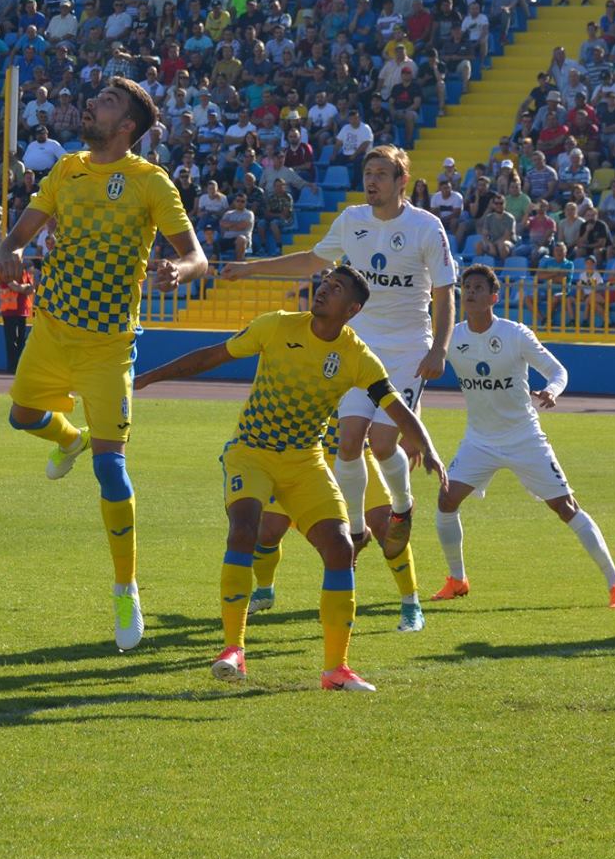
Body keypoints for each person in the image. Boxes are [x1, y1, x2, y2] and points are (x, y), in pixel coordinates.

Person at [132, 266, 445, 690]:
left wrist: (428, 447)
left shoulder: (357, 357)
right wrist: (151, 376)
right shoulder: (276, 325)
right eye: (325, 283)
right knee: (245, 529)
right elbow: (213, 356)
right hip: (251, 453)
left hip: (304, 462)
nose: (324, 290)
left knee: (340, 547)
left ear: (352, 309)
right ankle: (233, 649)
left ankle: (335, 670)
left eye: (336, 288)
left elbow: (396, 408)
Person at [0, 78, 209, 651]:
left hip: (109, 345)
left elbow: (197, 257)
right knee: (20, 417)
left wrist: (179, 271)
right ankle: (69, 439)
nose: (91, 104)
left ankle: (125, 587)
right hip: (51, 329)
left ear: (127, 127)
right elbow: (18, 236)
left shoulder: (150, 182)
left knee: (111, 469)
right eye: (96, 98)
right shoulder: (66, 169)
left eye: (107, 103)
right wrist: (9, 252)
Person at [221, 144, 456, 632]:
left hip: (408, 348)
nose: (372, 181)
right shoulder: (352, 220)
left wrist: (439, 349)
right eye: (368, 172)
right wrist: (251, 268)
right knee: (349, 441)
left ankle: (402, 507)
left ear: (401, 181)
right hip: (359, 346)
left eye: (382, 174)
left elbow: (443, 292)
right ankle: (356, 530)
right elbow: (313, 259)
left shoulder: (426, 227)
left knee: (383, 442)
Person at [428, 265, 615, 607]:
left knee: (565, 507)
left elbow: (557, 370)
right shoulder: (452, 337)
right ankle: (457, 580)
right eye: (466, 287)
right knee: (446, 500)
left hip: (524, 437)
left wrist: (552, 390)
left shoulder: (515, 334)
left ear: (494, 297)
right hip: (479, 440)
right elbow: (424, 362)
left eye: (478, 287)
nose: (470, 292)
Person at [0, 255, 35, 372]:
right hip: (9, 312)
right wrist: (24, 287)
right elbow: (15, 288)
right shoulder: (6, 273)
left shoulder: (25, 274)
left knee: (21, 340)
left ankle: (19, 366)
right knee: (11, 340)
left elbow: (32, 289)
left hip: (22, 311)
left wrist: (22, 287)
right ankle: (12, 366)